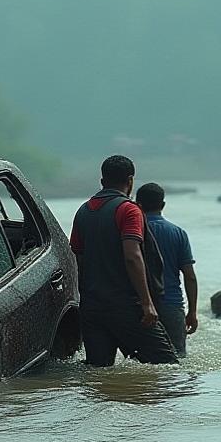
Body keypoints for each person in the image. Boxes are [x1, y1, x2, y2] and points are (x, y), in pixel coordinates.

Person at [69, 156, 178, 365]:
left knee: (99, 371)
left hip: (92, 309)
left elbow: (77, 258)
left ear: (102, 181)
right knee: (168, 369)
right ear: (130, 181)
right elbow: (132, 256)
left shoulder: (83, 211)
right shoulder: (129, 210)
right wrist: (147, 303)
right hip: (127, 306)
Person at [135, 183, 198, 358]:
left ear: (137, 205)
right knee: (176, 359)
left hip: (139, 306)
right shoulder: (178, 233)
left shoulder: (132, 232)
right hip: (172, 305)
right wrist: (192, 312)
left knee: (142, 358)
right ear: (162, 205)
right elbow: (190, 277)